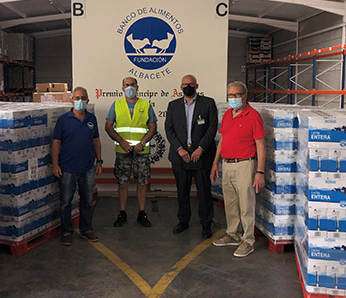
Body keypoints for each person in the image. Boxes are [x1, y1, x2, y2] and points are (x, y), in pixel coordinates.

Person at [210, 81, 266, 257]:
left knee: (246, 204)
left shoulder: (253, 116)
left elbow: (261, 145)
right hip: (227, 164)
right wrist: (215, 163)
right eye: (230, 95)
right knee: (231, 203)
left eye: (237, 95)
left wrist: (260, 172)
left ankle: (248, 240)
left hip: (245, 164)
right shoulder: (227, 114)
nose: (233, 98)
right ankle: (232, 233)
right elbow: (223, 141)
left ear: (245, 95)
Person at [165, 74, 218, 239]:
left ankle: (206, 224)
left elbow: (212, 127)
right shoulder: (173, 105)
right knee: (182, 191)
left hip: (201, 156)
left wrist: (201, 148)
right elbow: (169, 129)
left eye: (191, 84)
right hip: (180, 157)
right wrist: (180, 149)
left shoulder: (208, 103)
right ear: (180, 87)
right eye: (185, 84)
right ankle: (183, 220)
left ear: (197, 86)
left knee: (204, 192)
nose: (188, 86)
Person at [53, 86, 103, 246]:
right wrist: (55, 164)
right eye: (77, 98)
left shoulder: (91, 119)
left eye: (83, 98)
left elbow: (96, 140)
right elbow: (56, 143)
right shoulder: (63, 120)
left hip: (87, 167)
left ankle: (86, 229)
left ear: (87, 101)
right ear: (71, 100)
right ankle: (66, 232)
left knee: (87, 200)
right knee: (66, 202)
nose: (80, 101)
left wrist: (99, 161)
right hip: (67, 168)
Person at [105, 77, 157, 227]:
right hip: (123, 150)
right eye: (126, 85)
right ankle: (122, 213)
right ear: (122, 88)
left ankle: (142, 212)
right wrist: (121, 141)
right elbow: (108, 126)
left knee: (142, 182)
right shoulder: (116, 105)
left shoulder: (146, 105)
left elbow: (153, 127)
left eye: (132, 85)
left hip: (141, 151)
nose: (130, 87)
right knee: (122, 182)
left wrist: (142, 143)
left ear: (137, 87)